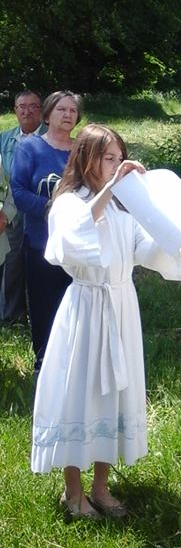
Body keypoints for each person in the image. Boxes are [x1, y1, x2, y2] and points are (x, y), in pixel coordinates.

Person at [31, 124, 181, 519]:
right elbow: (73, 239)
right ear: (87, 158)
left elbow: (146, 249)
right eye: (109, 159)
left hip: (121, 305)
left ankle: (101, 487)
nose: (117, 166)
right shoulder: (70, 202)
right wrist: (112, 188)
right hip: (87, 308)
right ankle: (73, 491)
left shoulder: (125, 206)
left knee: (113, 395)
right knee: (80, 392)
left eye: (120, 159)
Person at [10, 90, 81, 375]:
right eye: (62, 109)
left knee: (74, 302)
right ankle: (43, 363)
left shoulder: (81, 150)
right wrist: (55, 209)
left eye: (73, 111)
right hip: (40, 242)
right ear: (48, 114)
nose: (67, 115)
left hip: (77, 244)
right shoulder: (31, 148)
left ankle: (72, 361)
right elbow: (19, 192)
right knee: (43, 303)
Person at [0, 89, 44, 323]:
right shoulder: (3, 139)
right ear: (15, 111)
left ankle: (43, 312)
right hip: (11, 212)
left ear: (42, 110)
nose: (27, 111)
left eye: (33, 106)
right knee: (12, 263)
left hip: (42, 210)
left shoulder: (52, 136)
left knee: (43, 261)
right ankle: (12, 316)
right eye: (21, 107)